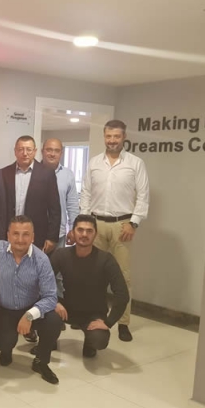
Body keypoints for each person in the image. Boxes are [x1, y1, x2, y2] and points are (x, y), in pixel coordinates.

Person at [80, 119, 149, 342]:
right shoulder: (94, 163)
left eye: (116, 136)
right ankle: (94, 316)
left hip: (123, 226)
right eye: (109, 136)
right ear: (104, 137)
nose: (112, 140)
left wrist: (134, 223)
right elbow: (86, 193)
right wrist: (85, 221)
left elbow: (143, 196)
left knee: (123, 277)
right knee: (93, 274)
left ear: (124, 137)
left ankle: (123, 323)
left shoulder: (135, 163)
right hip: (95, 225)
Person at [0, 216, 62, 384]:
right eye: (15, 234)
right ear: (8, 235)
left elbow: (50, 296)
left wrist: (29, 315)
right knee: (5, 342)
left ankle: (41, 361)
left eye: (25, 234)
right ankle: (6, 350)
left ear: (33, 237)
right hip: (4, 309)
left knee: (54, 320)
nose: (20, 239)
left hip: (30, 308)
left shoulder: (41, 260)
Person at [50, 215, 130, 357]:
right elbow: (43, 281)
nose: (84, 234)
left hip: (94, 313)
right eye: (80, 230)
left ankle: (90, 343)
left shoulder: (106, 260)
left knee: (99, 340)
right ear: (72, 232)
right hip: (67, 309)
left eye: (89, 231)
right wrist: (54, 302)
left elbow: (122, 293)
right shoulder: (61, 255)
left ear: (95, 234)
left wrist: (108, 322)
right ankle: (49, 339)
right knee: (45, 314)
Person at [2, 136, 61, 253]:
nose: (25, 153)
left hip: (37, 235)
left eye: (29, 149)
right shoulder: (4, 173)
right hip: (10, 234)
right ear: (15, 151)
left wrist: (52, 237)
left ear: (35, 151)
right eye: (21, 149)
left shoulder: (47, 174)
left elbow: (55, 209)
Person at [41, 138, 79, 249]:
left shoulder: (68, 175)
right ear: (42, 151)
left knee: (58, 260)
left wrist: (73, 228)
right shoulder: (33, 172)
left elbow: (72, 205)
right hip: (34, 232)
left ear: (61, 153)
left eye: (56, 151)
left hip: (59, 233)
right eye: (49, 150)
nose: (52, 154)